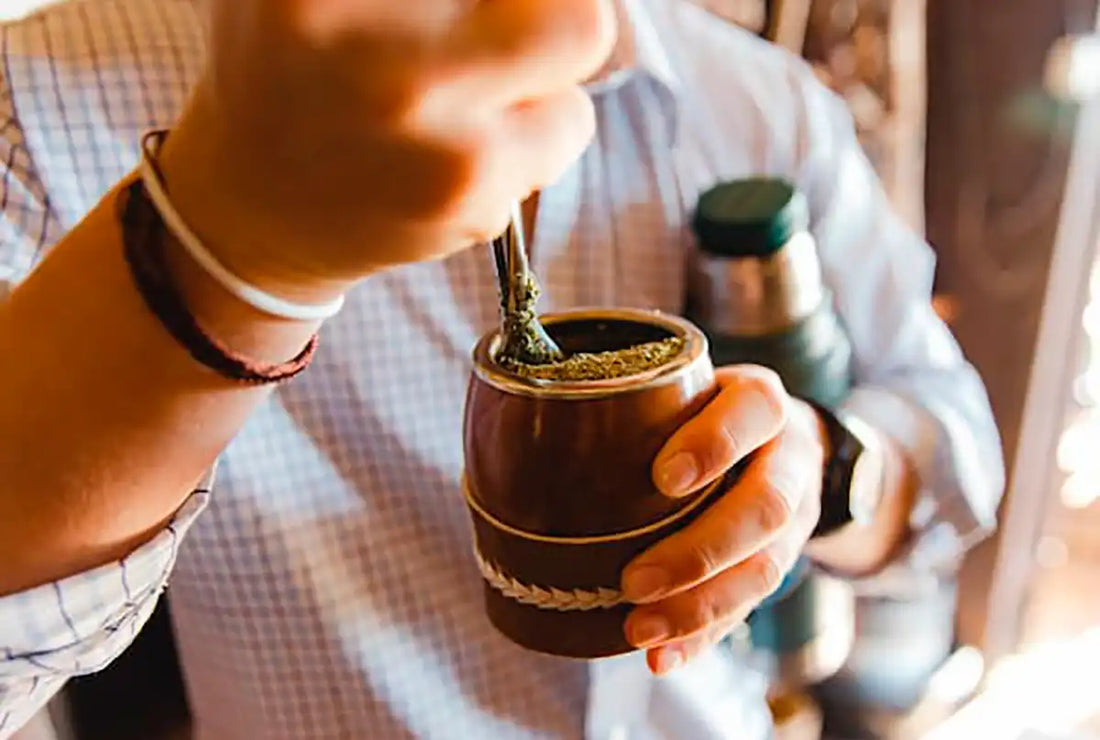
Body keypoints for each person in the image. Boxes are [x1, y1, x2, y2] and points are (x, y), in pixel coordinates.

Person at [0, 0, 1003, 738]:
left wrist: (817, 467)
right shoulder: (40, 104)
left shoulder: (757, 101)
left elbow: (948, 435)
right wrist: (224, 246)